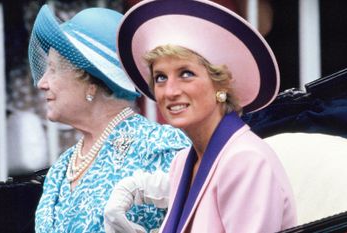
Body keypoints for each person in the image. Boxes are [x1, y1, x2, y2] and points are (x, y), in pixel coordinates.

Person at [110, 0, 297, 232]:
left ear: (222, 84)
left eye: (186, 74)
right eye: (160, 78)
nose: (170, 91)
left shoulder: (245, 160)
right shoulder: (182, 162)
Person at [27, 4, 191, 233]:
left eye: (53, 70)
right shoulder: (62, 167)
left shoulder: (159, 146)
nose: (42, 83)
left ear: (91, 83)